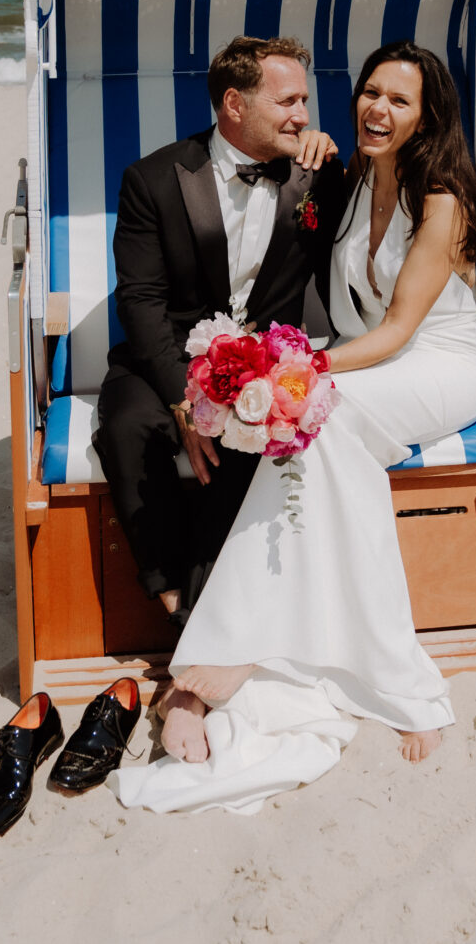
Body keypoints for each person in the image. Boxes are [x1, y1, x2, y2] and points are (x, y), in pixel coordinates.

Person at [112, 40, 476, 815]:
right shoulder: (348, 178)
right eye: (369, 92)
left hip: (437, 364)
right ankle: (241, 646)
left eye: (399, 100)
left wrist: (296, 371)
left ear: (428, 118)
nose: (376, 108)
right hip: (367, 361)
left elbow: (396, 333)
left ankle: (323, 658)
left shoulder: (441, 198)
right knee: (307, 424)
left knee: (315, 420)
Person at [94, 36, 345, 628]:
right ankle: (171, 598)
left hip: (260, 364)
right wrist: (185, 399)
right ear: (234, 103)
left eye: (305, 101)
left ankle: (204, 620)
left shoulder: (318, 178)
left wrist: (336, 156)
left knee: (252, 438)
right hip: (162, 358)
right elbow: (142, 301)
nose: (303, 115)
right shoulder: (152, 180)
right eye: (288, 101)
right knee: (128, 427)